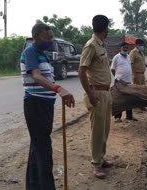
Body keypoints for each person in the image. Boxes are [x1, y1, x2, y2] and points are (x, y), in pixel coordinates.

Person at [20, 23, 75, 190]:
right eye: (47, 38)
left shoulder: (43, 54)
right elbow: (36, 76)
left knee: (36, 148)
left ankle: (33, 186)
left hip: (45, 105)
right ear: (36, 37)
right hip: (35, 105)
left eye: (51, 37)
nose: (50, 41)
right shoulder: (30, 52)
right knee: (44, 151)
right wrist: (59, 89)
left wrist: (55, 91)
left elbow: (48, 79)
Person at [78, 15, 113, 179]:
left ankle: (101, 158)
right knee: (97, 130)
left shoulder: (101, 45)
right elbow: (81, 71)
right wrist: (90, 95)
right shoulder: (91, 46)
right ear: (106, 29)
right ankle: (96, 164)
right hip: (96, 93)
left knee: (105, 128)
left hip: (106, 92)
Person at [111, 42, 137, 122]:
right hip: (119, 81)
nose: (125, 49)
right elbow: (112, 69)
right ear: (120, 48)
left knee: (129, 99)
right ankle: (117, 117)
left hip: (128, 81)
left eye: (126, 48)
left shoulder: (128, 57)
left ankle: (129, 116)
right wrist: (117, 78)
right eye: (124, 48)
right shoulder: (116, 57)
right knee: (119, 99)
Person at [129, 39, 147, 112]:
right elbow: (131, 64)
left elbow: (140, 62)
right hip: (137, 74)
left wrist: (146, 65)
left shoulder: (141, 52)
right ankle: (135, 107)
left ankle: (142, 106)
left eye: (142, 45)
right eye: (140, 45)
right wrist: (134, 74)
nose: (141, 46)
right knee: (136, 91)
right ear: (136, 45)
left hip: (142, 74)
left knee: (143, 91)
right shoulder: (133, 53)